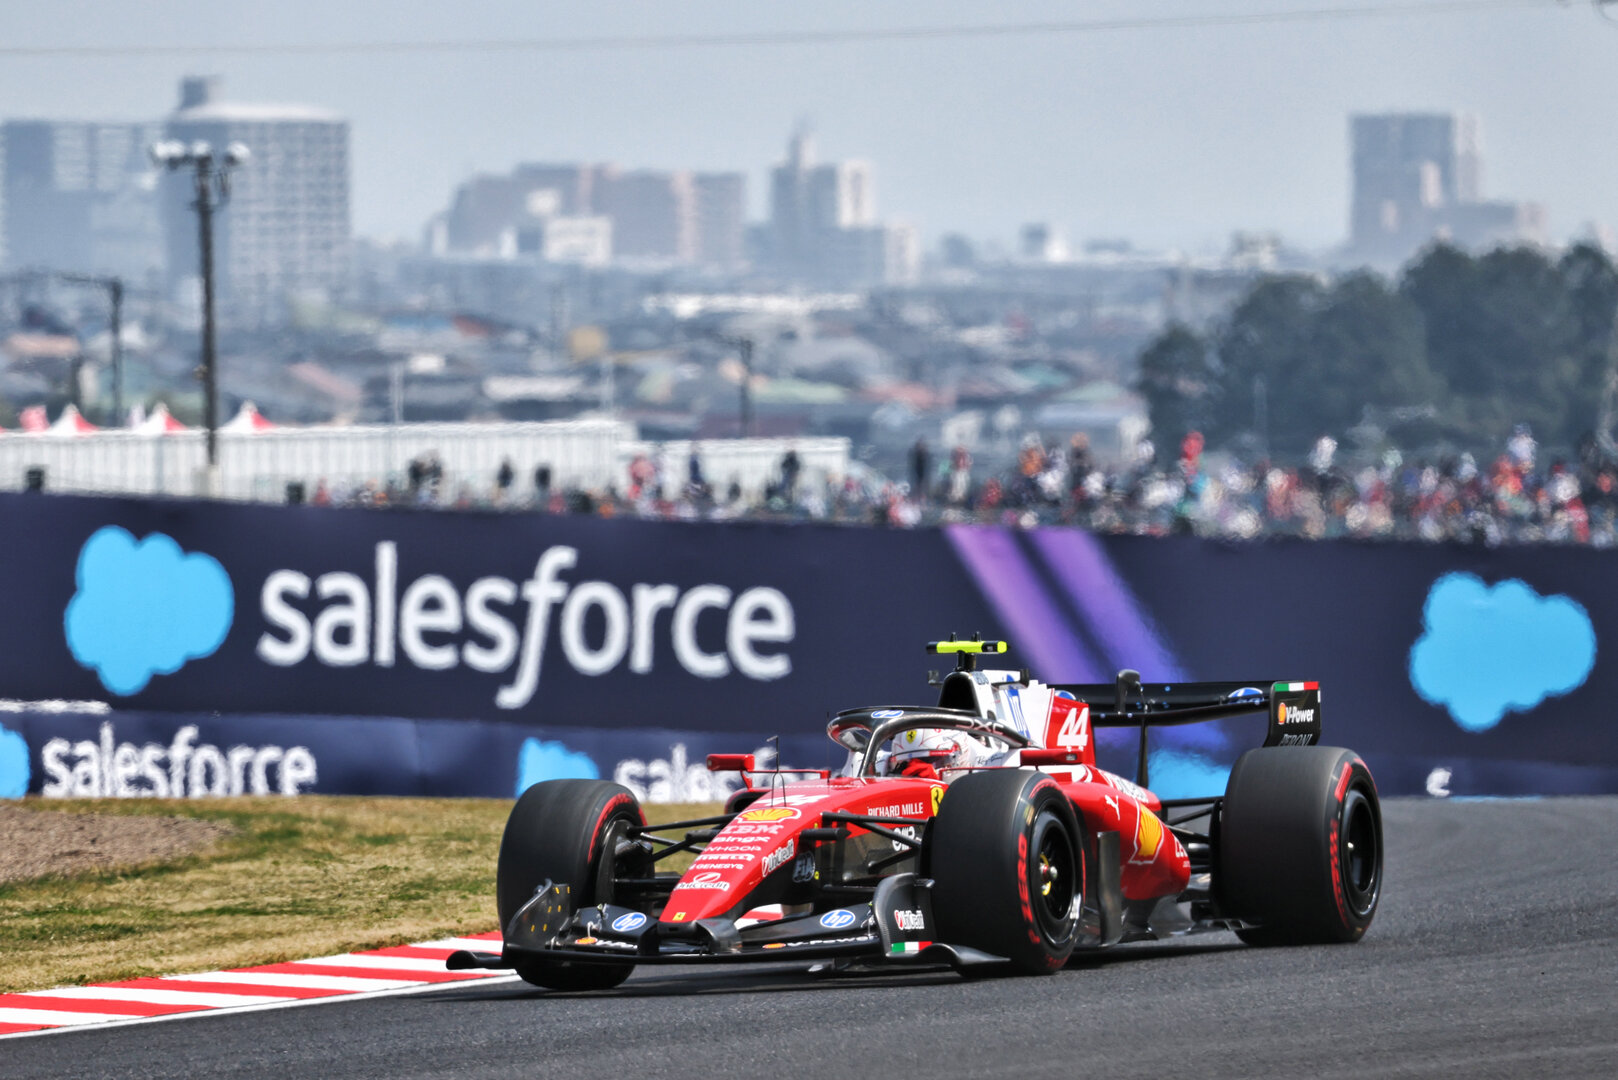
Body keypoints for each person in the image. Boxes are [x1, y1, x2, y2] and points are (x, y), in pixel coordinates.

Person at [876, 726, 1008, 781]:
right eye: (906, 763)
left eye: (929, 760)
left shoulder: (992, 767)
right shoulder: (882, 764)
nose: (915, 770)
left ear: (957, 757)